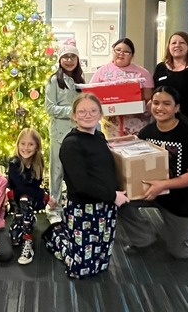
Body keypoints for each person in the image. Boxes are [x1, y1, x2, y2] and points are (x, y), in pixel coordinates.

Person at [116, 85, 188, 260]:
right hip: (152, 192)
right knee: (117, 200)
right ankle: (144, 239)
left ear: (177, 108)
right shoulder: (147, 132)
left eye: (167, 103)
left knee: (180, 253)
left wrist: (164, 184)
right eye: (156, 103)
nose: (160, 108)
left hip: (182, 199)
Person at [45, 93, 129, 279]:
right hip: (83, 208)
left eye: (93, 111)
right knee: (80, 270)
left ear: (100, 114)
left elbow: (104, 170)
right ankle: (56, 236)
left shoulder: (99, 136)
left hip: (106, 205)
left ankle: (68, 237)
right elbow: (82, 184)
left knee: (102, 261)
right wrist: (114, 196)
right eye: (82, 111)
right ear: (74, 115)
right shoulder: (71, 145)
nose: (88, 115)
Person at [45, 37, 83, 221]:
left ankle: (71, 206)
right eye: (65, 57)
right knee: (57, 172)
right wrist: (73, 111)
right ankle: (54, 208)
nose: (69, 60)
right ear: (60, 59)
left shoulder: (80, 81)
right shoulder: (54, 81)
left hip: (77, 133)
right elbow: (50, 108)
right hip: (59, 133)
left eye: (72, 57)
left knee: (74, 170)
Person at [89, 37, 154, 138]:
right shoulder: (102, 71)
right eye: (118, 50)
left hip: (137, 123)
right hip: (110, 122)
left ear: (132, 55)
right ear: (113, 51)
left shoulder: (143, 73)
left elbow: (148, 97)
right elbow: (91, 94)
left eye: (126, 52)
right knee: (112, 150)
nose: (121, 53)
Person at [7, 128, 47, 265]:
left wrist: (41, 196)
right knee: (14, 239)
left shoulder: (38, 162)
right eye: (22, 144)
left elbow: (34, 186)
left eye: (31, 144)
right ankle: (23, 220)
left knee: (26, 199)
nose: (26, 148)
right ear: (18, 145)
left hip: (29, 200)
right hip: (15, 200)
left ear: (37, 147)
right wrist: (45, 195)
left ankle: (28, 239)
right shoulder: (14, 163)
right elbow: (21, 188)